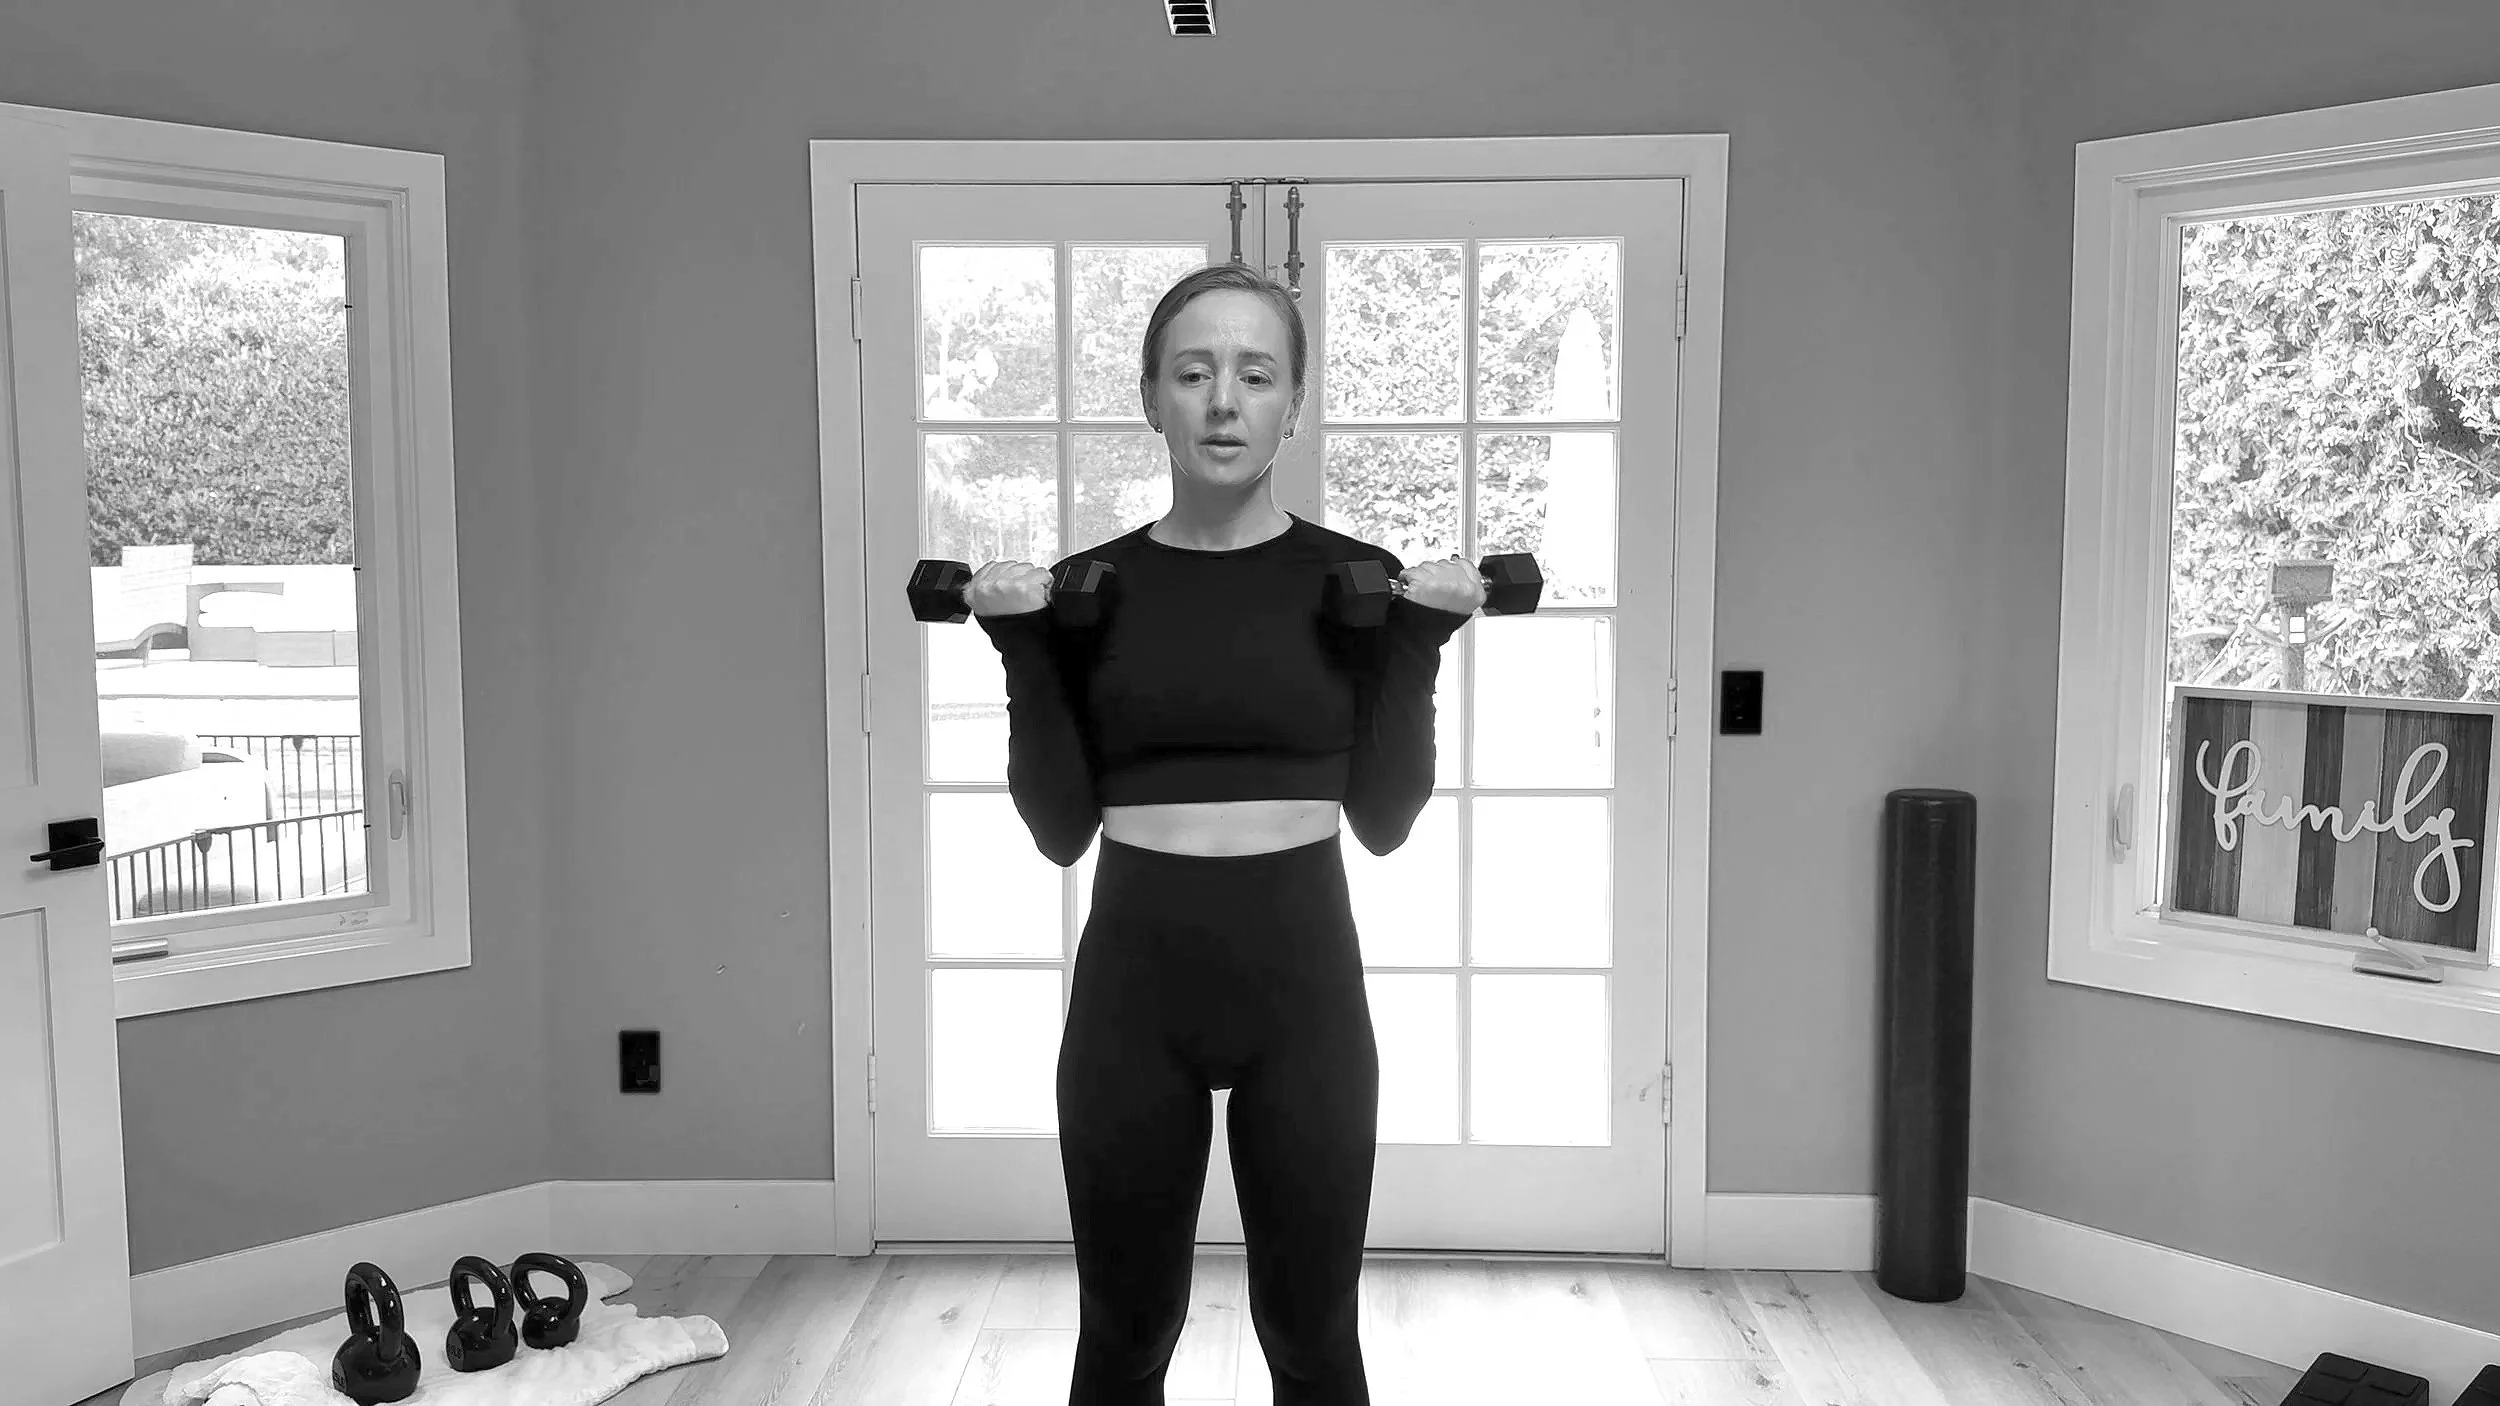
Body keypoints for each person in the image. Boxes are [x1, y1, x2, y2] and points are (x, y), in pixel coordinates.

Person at [964, 262, 1485, 1406]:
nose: (1222, 401)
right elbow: (1059, 829)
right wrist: (1019, 649)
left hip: (1303, 998)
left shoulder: (1351, 581)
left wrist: (1420, 643)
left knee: (1308, 1336)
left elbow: (1387, 822)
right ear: (1150, 395)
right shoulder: (1086, 589)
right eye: (1192, 372)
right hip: (1132, 998)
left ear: (1292, 402)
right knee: (1126, 1333)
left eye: (1255, 374)